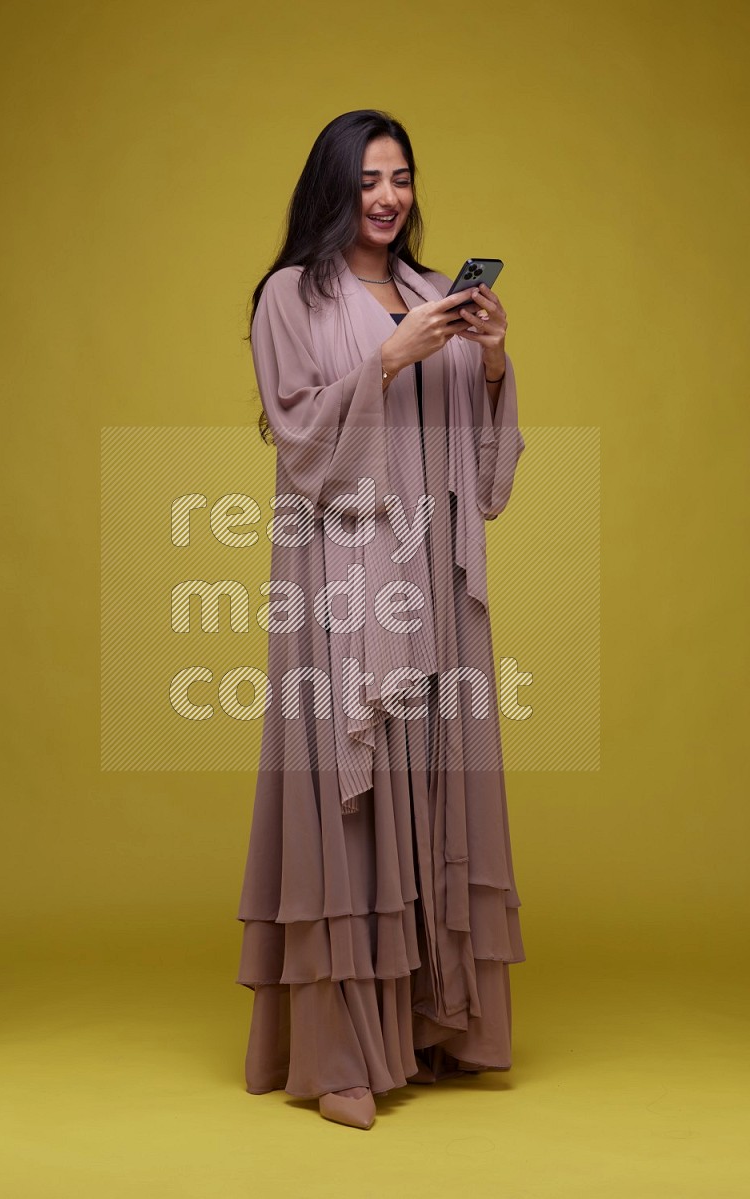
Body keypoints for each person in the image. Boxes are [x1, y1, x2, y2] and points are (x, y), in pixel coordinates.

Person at [235, 109, 526, 1130]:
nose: (387, 196)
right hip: (339, 572)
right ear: (332, 188)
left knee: (433, 775)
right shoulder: (291, 295)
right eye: (366, 179)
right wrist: (387, 359)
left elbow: (478, 468)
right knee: (345, 797)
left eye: (399, 177)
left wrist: (485, 360)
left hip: (427, 577)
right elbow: (297, 435)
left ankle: (426, 1021)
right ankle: (338, 1052)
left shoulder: (425, 287)